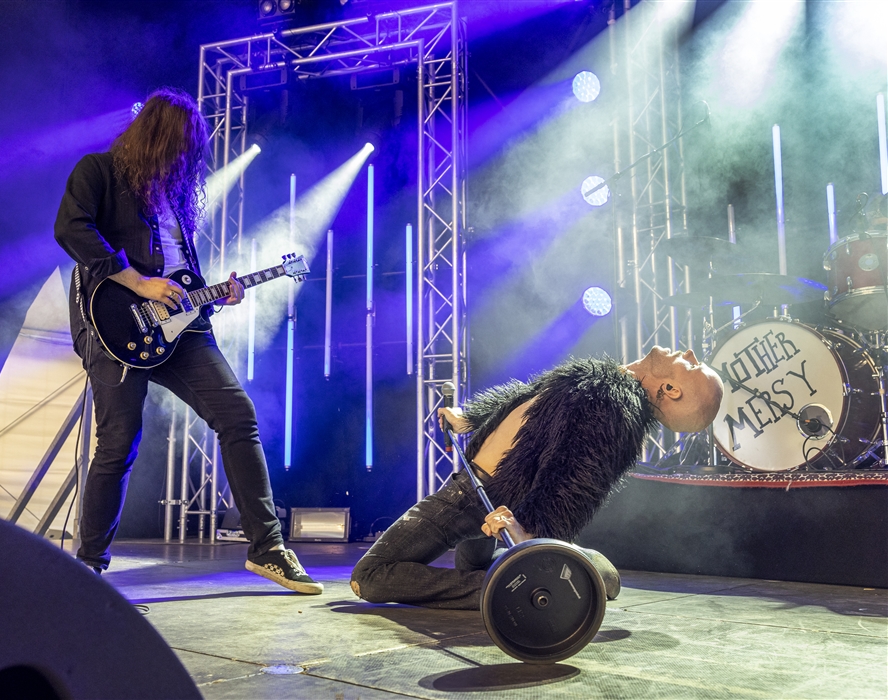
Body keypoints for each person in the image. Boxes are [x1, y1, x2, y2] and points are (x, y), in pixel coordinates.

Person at [54, 87, 322, 594]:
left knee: (238, 416)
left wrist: (217, 294)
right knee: (117, 443)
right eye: (179, 144)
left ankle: (267, 549)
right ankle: (88, 569)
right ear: (154, 135)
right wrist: (137, 281)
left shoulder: (173, 197)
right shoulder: (100, 172)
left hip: (185, 329)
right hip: (117, 326)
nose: (185, 157)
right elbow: (70, 228)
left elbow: (180, 278)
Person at [350, 348, 724, 609]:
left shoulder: (615, 408)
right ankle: (570, 571)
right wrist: (471, 417)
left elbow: (576, 481)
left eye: (694, 365)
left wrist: (530, 533)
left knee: (369, 576)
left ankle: (526, 584)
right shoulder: (603, 383)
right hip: (476, 492)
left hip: (481, 497)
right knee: (473, 571)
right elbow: (530, 401)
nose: (689, 353)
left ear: (671, 390)